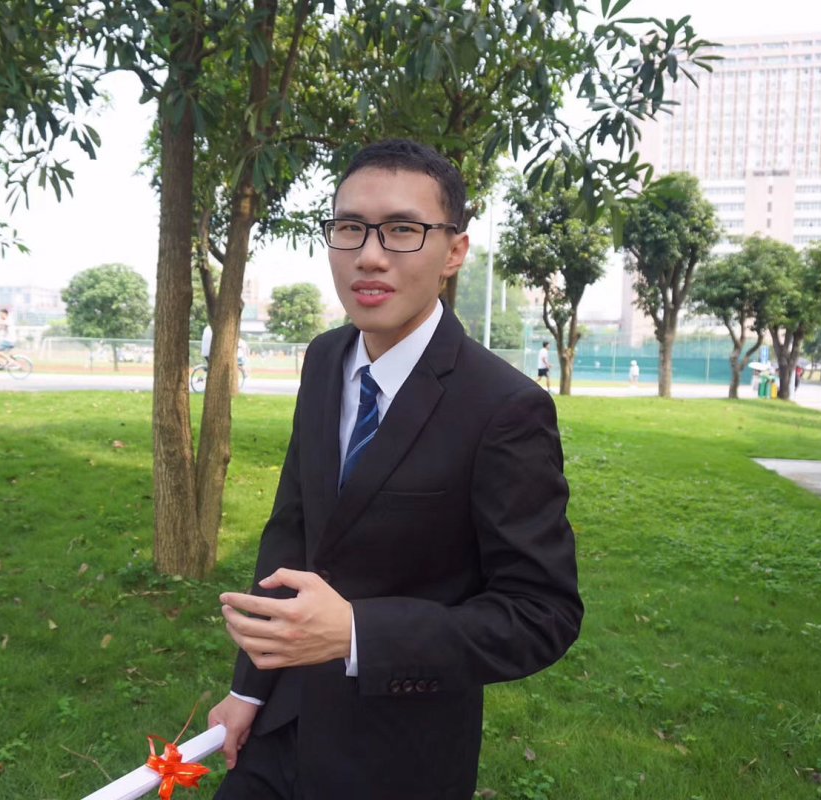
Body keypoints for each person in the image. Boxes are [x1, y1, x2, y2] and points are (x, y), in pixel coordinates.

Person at [208, 140, 582, 800]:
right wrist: (249, 688)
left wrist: (358, 633)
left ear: (454, 252)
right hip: (282, 726)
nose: (370, 255)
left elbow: (541, 613)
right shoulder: (326, 360)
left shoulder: (504, 408)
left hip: (399, 757)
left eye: (403, 230)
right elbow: (294, 530)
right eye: (350, 228)